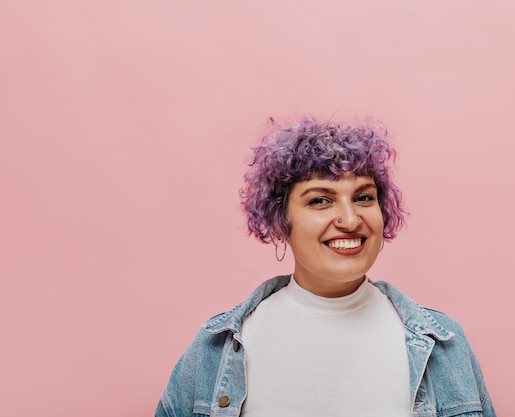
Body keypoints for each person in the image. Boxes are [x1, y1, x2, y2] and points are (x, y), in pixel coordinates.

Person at [155, 117, 496, 417]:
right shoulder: (215, 349)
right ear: (278, 221)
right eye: (320, 200)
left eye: (364, 197)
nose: (350, 220)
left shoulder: (444, 345)